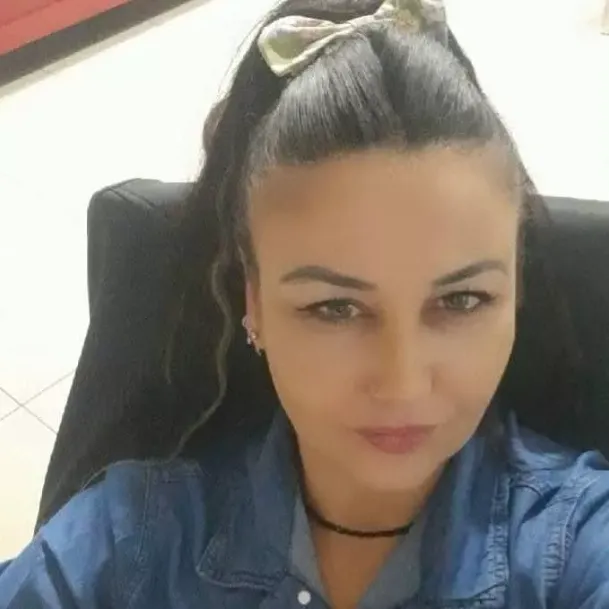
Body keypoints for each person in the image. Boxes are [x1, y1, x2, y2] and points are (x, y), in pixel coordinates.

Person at [2, 0, 609, 607]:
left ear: (516, 290)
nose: (402, 384)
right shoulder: (122, 549)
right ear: (254, 301)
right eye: (335, 308)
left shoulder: (578, 548)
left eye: (462, 299)